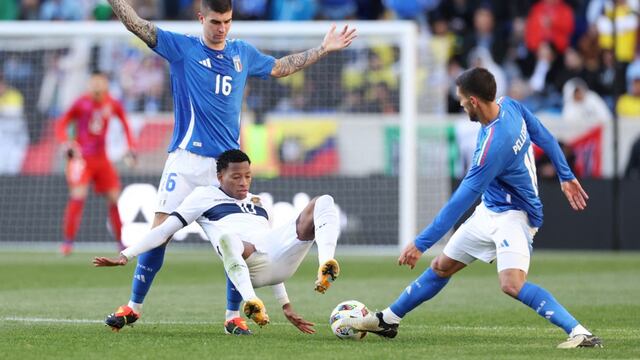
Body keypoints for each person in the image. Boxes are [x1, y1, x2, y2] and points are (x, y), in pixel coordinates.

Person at [103, 0, 356, 332]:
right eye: (215, 22)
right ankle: (133, 307)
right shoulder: (181, 48)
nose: (221, 28)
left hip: (226, 168)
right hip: (185, 159)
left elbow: (280, 67)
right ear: (201, 18)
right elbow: (137, 24)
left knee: (235, 239)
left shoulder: (243, 53)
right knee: (159, 232)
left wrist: (323, 49)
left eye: (227, 21)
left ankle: (233, 315)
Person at [336, 67, 602, 349]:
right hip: (490, 209)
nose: (460, 105)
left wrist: (421, 243)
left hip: (515, 216)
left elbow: (460, 201)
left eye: (461, 100)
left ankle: (580, 332)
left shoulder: (493, 147)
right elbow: (545, 136)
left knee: (511, 284)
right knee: (441, 267)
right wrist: (566, 175)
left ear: (474, 100)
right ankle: (389, 320)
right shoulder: (510, 105)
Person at [93, 149, 340, 335]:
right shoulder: (203, 197)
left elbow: (271, 251)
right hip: (246, 266)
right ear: (220, 176)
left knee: (323, 201)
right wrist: (127, 254)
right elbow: (164, 230)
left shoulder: (257, 201)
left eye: (248, 176)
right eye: (236, 177)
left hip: (276, 262)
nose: (243, 182)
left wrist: (286, 305)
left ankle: (326, 262)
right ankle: (250, 302)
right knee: (228, 239)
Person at [55, 72, 136, 256]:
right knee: (78, 196)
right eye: (94, 82)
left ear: (106, 84)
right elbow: (62, 123)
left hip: (102, 159)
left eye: (101, 81)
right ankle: (67, 243)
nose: (97, 85)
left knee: (114, 198)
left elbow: (125, 124)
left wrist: (130, 147)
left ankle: (121, 244)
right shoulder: (80, 103)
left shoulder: (112, 103)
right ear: (89, 84)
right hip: (81, 159)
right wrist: (66, 142)